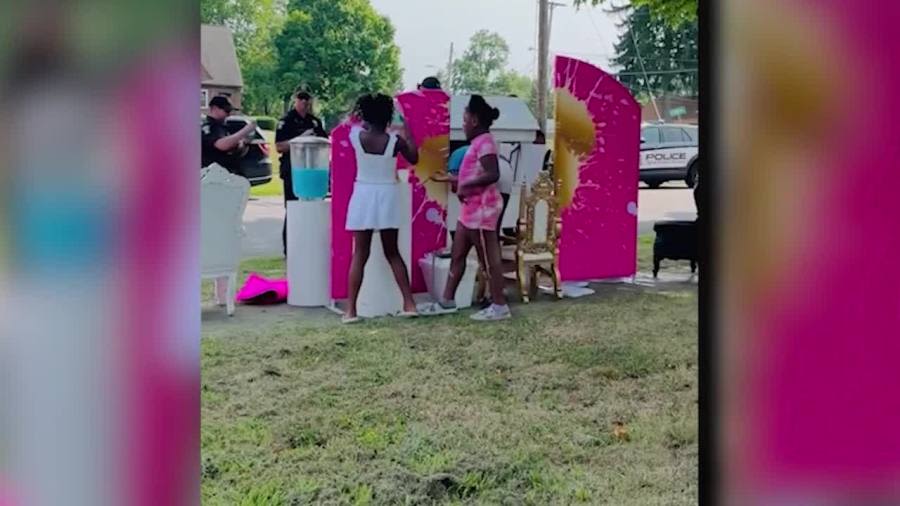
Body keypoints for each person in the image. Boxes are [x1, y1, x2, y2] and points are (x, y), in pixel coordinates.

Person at [424, 95, 511, 321]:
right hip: (469, 210)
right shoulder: (476, 143)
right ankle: (447, 300)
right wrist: (454, 182)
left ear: (473, 120)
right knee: (458, 253)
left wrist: (464, 184)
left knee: (488, 259)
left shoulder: (485, 142)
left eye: (464, 120)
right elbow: (474, 174)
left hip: (483, 211)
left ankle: (499, 306)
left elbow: (493, 174)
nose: (462, 125)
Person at [343, 94, 420, 323]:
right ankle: (409, 303)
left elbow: (349, 121)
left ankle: (350, 311)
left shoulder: (356, 135)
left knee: (360, 254)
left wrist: (360, 116)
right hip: (387, 194)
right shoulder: (395, 141)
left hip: (364, 194)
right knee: (392, 252)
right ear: (388, 117)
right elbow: (414, 157)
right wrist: (406, 127)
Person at [275, 90, 328, 256]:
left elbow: (325, 142)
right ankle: (289, 249)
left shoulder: (314, 121)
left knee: (313, 208)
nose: (305, 103)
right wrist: (300, 138)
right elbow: (279, 146)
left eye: (307, 100)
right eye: (301, 100)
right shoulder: (286, 121)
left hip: (313, 171)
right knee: (293, 208)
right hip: (293, 170)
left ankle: (310, 243)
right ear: (295, 101)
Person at [202, 96, 255, 173]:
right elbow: (220, 145)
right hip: (213, 174)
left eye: (230, 111)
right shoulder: (208, 127)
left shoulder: (222, 127)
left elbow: (231, 149)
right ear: (214, 108)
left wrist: (241, 144)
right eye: (226, 110)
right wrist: (245, 131)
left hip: (227, 172)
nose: (229, 114)